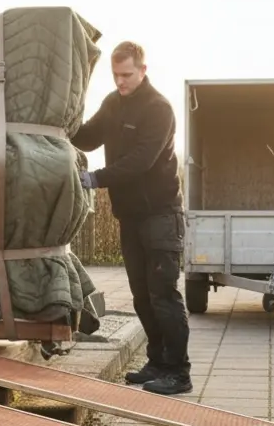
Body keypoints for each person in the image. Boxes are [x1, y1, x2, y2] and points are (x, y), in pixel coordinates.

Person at [73, 41, 191, 395]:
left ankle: (179, 372)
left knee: (163, 296)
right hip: (131, 217)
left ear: (142, 69)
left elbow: (142, 160)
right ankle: (157, 362)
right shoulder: (113, 103)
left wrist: (96, 179)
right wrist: (64, 118)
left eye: (127, 75)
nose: (121, 82)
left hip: (160, 216)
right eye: (115, 75)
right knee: (141, 295)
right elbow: (89, 137)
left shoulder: (159, 109)